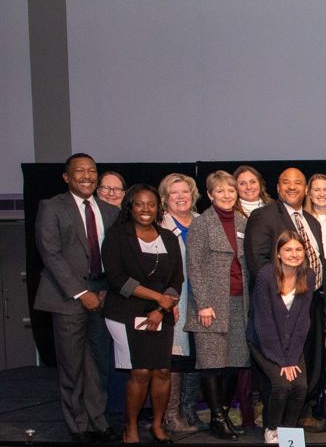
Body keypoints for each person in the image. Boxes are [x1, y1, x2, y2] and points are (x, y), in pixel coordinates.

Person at [242, 168, 326, 432]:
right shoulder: (264, 216)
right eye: (286, 182)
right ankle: (276, 426)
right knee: (281, 376)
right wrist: (281, 299)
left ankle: (297, 419)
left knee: (306, 367)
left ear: (305, 189)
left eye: (298, 183)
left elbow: (318, 261)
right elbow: (258, 262)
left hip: (309, 301)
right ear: (277, 187)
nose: (292, 187)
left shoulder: (310, 220)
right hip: (277, 307)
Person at [100, 185, 184, 443]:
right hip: (126, 311)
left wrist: (161, 307)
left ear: (158, 207)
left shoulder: (168, 237)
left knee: (161, 371)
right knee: (140, 372)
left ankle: (158, 426)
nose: (146, 209)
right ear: (130, 207)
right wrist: (158, 298)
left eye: (150, 204)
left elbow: (176, 279)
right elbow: (117, 279)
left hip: (162, 312)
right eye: (139, 204)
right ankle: (131, 427)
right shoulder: (117, 236)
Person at [185, 171, 250, 440]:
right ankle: (216, 418)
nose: (226, 195)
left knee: (235, 362)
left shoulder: (241, 222)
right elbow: (194, 266)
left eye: (231, 191)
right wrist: (203, 304)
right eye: (220, 191)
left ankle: (222, 410)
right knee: (212, 363)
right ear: (210, 195)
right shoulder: (201, 224)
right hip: (211, 305)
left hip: (239, 302)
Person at [248, 231, 317, 443]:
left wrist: (292, 357)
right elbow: (264, 322)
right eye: (288, 250)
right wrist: (282, 361)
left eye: (298, 249)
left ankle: (287, 432)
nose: (294, 254)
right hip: (263, 342)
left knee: (301, 387)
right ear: (278, 253)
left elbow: (302, 321)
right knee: (282, 386)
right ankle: (271, 428)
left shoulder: (309, 276)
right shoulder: (266, 276)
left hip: (292, 345)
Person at [158, 173, 202, 435]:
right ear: (165, 198)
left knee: (197, 356)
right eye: (174, 192)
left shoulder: (202, 221)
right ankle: (170, 415)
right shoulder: (159, 226)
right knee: (174, 357)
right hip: (173, 298)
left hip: (202, 300)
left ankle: (189, 410)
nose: (181, 196)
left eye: (185, 191)